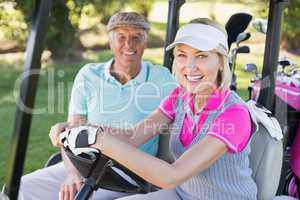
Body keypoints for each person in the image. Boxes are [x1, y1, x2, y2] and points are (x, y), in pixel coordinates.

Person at [51, 18, 258, 200]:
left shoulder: (234, 114)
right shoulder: (180, 97)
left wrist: (100, 140)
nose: (190, 66)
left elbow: (171, 176)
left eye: (202, 56)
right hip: (183, 194)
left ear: (221, 62)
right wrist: (78, 129)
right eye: (182, 55)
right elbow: (133, 136)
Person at [19, 12, 177, 200]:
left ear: (146, 42)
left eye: (137, 38)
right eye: (121, 38)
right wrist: (72, 174)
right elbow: (73, 130)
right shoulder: (88, 75)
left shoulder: (162, 78)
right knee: (20, 188)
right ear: (110, 42)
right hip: (83, 163)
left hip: (129, 173)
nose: (129, 44)